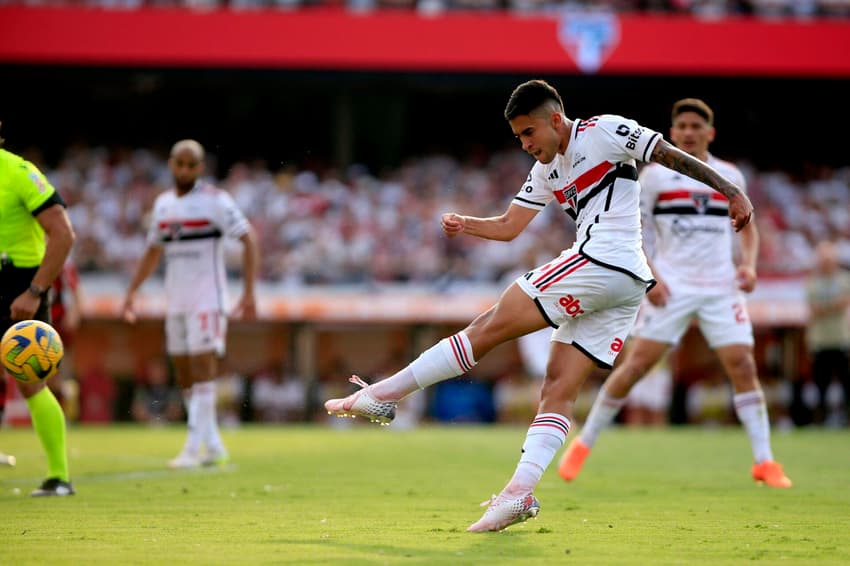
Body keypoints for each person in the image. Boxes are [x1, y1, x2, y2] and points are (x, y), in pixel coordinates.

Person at [324, 80, 753, 531]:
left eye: (529, 133)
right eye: (518, 138)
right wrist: (465, 223)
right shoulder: (548, 170)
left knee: (487, 327)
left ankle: (382, 396)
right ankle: (518, 495)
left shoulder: (604, 130)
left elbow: (667, 154)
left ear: (554, 119)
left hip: (601, 261)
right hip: (625, 285)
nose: (526, 145)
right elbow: (511, 226)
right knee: (556, 389)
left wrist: (731, 190)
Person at [557, 98, 792, 488]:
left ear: (709, 133)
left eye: (695, 127)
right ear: (672, 131)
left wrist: (748, 264)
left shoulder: (730, 175)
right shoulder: (653, 177)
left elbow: (748, 227)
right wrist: (652, 277)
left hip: (720, 286)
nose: (687, 132)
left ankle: (764, 461)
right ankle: (583, 443)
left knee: (743, 366)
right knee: (635, 368)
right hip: (673, 285)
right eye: (680, 126)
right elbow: (634, 230)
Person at [122, 139, 258, 469]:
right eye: (179, 163)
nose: (184, 169)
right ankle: (212, 444)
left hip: (207, 298)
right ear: (171, 164)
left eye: (190, 164)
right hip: (176, 299)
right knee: (183, 372)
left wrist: (249, 292)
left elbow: (248, 239)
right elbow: (153, 251)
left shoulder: (215, 201)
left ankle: (192, 447)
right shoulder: (163, 204)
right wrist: (131, 292)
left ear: (200, 167)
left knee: (202, 369)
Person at [0, 122, 76, 494]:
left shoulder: (19, 173)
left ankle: (59, 477)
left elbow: (63, 234)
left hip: (19, 287)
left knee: (30, 382)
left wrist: (34, 291)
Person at [804, 239, 850, 425]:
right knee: (820, 383)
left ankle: (846, 418)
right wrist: (834, 305)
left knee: (846, 382)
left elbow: (843, 303)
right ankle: (820, 420)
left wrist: (826, 307)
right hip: (819, 340)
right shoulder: (813, 282)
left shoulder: (844, 279)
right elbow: (815, 308)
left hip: (840, 338)